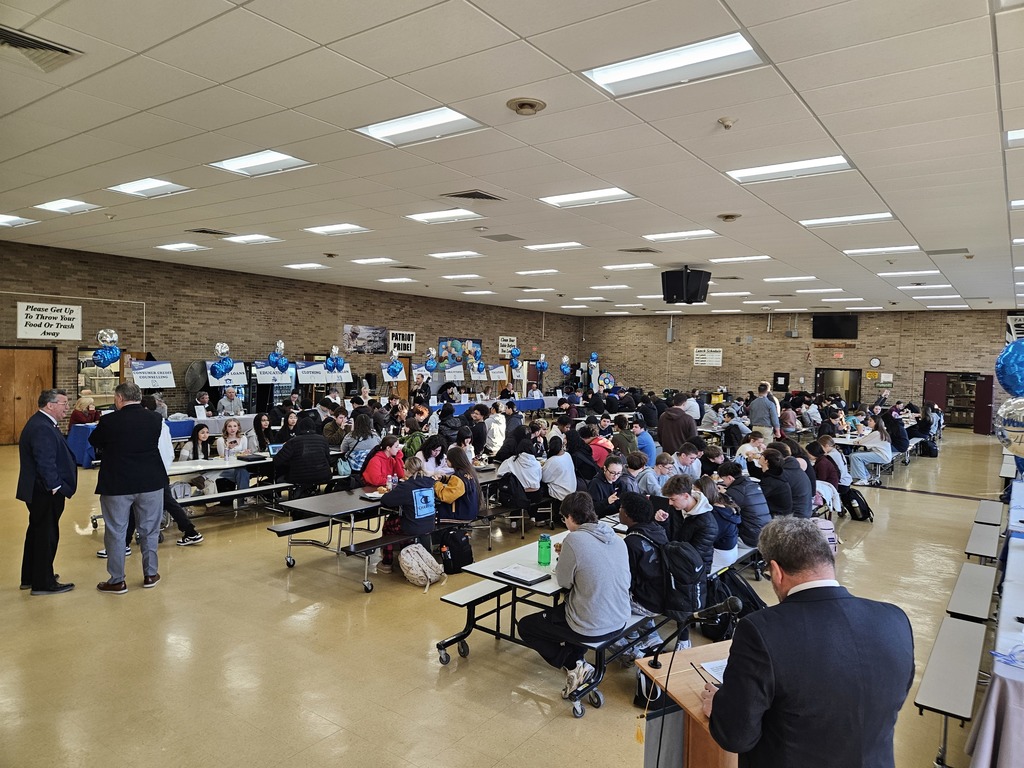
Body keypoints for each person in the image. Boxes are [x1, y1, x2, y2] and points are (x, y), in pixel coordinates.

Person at [702, 517, 915, 768]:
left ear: (776, 571)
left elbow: (736, 736)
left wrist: (719, 705)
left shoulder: (760, 630)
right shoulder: (894, 618)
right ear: (828, 559)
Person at [517, 492, 631, 699]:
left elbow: (563, 582)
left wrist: (566, 560)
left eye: (563, 519)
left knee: (526, 626)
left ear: (570, 517)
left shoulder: (574, 539)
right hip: (620, 617)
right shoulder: (615, 537)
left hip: (592, 624)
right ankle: (575, 659)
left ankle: (573, 665)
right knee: (572, 608)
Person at [91, 382, 173, 594]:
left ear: (119, 398)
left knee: (116, 531)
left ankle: (117, 580)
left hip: (117, 482)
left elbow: (95, 441)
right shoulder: (155, 419)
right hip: (150, 481)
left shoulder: (108, 420)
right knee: (149, 529)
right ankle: (150, 574)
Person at [18, 389, 77, 595]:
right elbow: (45, 461)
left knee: (36, 531)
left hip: (38, 489)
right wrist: (56, 487)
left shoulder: (41, 423)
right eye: (64, 403)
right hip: (44, 491)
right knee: (46, 534)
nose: (67, 407)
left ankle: (31, 575)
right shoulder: (42, 427)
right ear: (50, 405)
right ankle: (43, 583)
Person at [658, 474, 717, 645]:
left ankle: (684, 640)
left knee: (682, 596)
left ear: (686, 495)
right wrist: (661, 522)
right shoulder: (678, 509)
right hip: (675, 558)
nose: (669, 503)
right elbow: (670, 536)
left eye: (672, 499)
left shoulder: (707, 523)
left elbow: (692, 558)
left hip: (695, 568)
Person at [607, 492, 667, 661]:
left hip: (648, 603)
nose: (619, 511)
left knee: (604, 605)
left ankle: (630, 650)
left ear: (627, 515)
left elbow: (626, 582)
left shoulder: (632, 542)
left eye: (621, 509)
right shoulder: (657, 529)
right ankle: (651, 636)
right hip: (663, 595)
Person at [376, 456, 437, 573]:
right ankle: (405, 553)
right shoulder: (430, 482)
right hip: (429, 523)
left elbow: (386, 500)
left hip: (413, 526)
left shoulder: (407, 486)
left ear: (408, 471)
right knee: (403, 521)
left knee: (389, 526)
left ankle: (387, 563)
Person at [273, 417, 331, 498]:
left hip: (299, 476)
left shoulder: (293, 441)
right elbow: (328, 459)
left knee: (280, 479)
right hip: (322, 475)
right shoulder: (322, 440)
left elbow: (277, 460)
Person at [718, 460, 771, 548]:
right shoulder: (753, 485)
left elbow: (726, 515)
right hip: (765, 534)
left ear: (730, 478)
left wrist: (724, 494)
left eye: (723, 480)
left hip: (750, 539)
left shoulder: (734, 492)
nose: (723, 483)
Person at [434, 447, 479, 521]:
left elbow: (444, 496)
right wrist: (443, 479)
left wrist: (436, 483)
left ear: (453, 460)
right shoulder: (468, 472)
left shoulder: (458, 478)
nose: (446, 461)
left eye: (447, 459)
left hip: (460, 515)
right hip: (469, 511)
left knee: (433, 513)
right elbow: (455, 483)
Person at [849, 414, 893, 486]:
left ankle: (863, 479)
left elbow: (861, 442)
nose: (868, 422)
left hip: (882, 455)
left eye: (870, 420)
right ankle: (866, 475)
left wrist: (858, 440)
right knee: (853, 455)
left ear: (876, 422)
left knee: (855, 456)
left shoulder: (876, 433)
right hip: (881, 453)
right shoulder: (880, 431)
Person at [541, 436, 576, 517]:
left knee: (538, 486)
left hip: (560, 491)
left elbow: (544, 478)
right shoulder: (567, 455)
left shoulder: (553, 460)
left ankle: (540, 516)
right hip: (571, 488)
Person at [215, 418, 251, 492]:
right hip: (226, 467)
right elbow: (222, 456)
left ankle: (243, 496)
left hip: (240, 465)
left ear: (238, 428)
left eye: (235, 426)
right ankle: (244, 497)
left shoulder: (243, 438)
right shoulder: (220, 440)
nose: (232, 429)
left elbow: (244, 453)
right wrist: (229, 448)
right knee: (242, 474)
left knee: (242, 472)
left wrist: (246, 453)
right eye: (229, 426)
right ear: (226, 428)